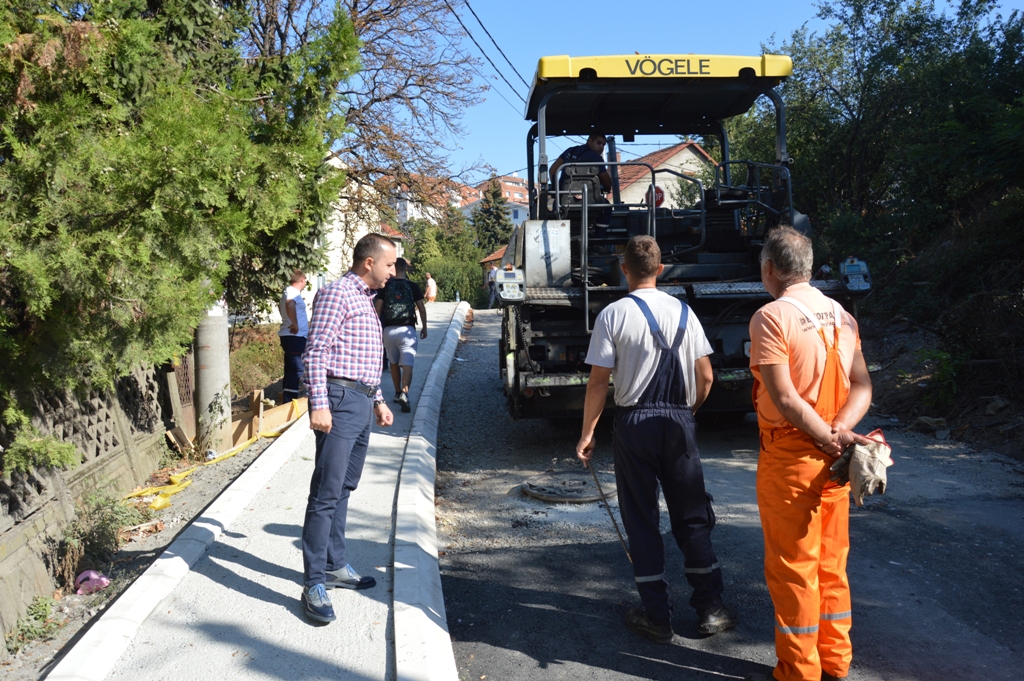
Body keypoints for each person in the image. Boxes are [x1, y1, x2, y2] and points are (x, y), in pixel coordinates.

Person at [576, 235, 738, 644]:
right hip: (679, 421)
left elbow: (598, 383)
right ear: (661, 269)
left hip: (635, 425)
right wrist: (689, 412)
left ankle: (657, 617)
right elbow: (706, 377)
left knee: (642, 518)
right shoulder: (685, 312)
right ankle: (710, 609)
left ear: (624, 269)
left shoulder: (613, 315)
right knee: (691, 514)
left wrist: (588, 433)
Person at [745, 226, 873, 681]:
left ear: (769, 269)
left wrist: (825, 434)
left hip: (792, 458)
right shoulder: (842, 315)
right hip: (836, 461)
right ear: (809, 267)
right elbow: (862, 385)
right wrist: (840, 431)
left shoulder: (771, 317)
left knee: (794, 568)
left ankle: (798, 672)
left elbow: (786, 399)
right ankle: (835, 662)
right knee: (831, 564)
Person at [300, 233, 396, 624]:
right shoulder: (337, 293)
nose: (393, 272)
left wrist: (377, 400)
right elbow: (317, 351)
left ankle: (336, 566)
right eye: (389, 264)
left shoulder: (365, 299)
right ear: (368, 262)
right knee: (325, 491)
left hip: (359, 400)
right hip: (337, 403)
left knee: (344, 487)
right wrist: (319, 404)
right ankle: (313, 583)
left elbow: (359, 356)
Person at [374, 258, 427, 413]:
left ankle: (397, 392)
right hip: (407, 330)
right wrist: (424, 327)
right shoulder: (413, 286)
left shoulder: (385, 286)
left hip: (389, 330)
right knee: (408, 364)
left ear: (393, 268)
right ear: (405, 269)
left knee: (394, 362)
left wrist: (377, 327)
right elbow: (422, 309)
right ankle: (405, 392)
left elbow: (377, 308)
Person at [549, 133, 613, 234]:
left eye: (604, 145)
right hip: (591, 202)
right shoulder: (596, 158)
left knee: (554, 209)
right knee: (607, 208)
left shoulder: (570, 151)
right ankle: (599, 239)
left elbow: (552, 171)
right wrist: (607, 188)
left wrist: (556, 191)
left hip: (563, 201)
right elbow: (606, 181)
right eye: (599, 143)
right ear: (590, 141)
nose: (601, 147)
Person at [278, 270, 308, 402]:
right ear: (301, 280)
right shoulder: (292, 292)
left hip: (292, 336)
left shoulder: (288, 292)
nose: (306, 283)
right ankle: (290, 400)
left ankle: (287, 398)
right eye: (305, 280)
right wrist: (295, 324)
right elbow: (289, 304)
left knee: (291, 367)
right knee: (296, 368)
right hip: (295, 336)